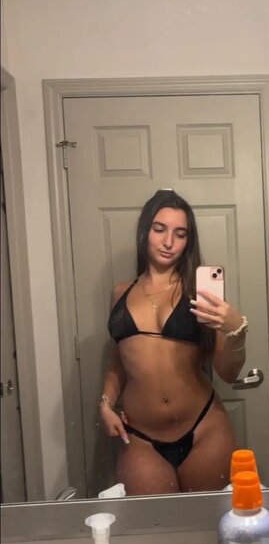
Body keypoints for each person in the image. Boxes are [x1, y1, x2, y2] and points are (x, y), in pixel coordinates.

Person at [98, 189, 248, 494]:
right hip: (140, 438)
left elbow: (229, 373)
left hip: (205, 429)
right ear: (145, 231)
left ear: (188, 241)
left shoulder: (199, 291)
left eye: (180, 234)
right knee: (154, 522)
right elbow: (119, 360)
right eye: (160, 229)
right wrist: (106, 403)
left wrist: (237, 330)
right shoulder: (120, 292)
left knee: (207, 519)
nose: (169, 242)